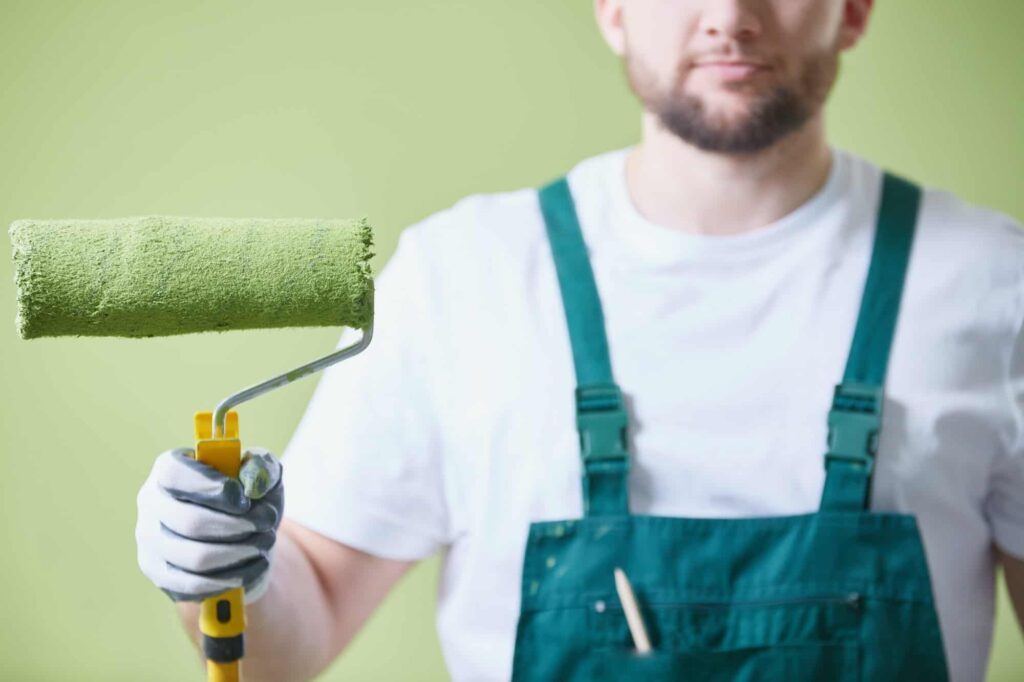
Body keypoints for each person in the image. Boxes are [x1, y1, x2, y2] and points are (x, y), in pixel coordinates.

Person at [135, 1, 1024, 680]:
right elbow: (296, 635)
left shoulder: (994, 285)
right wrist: (225, 572)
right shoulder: (461, 277)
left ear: (855, 9)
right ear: (612, 9)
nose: (729, 16)